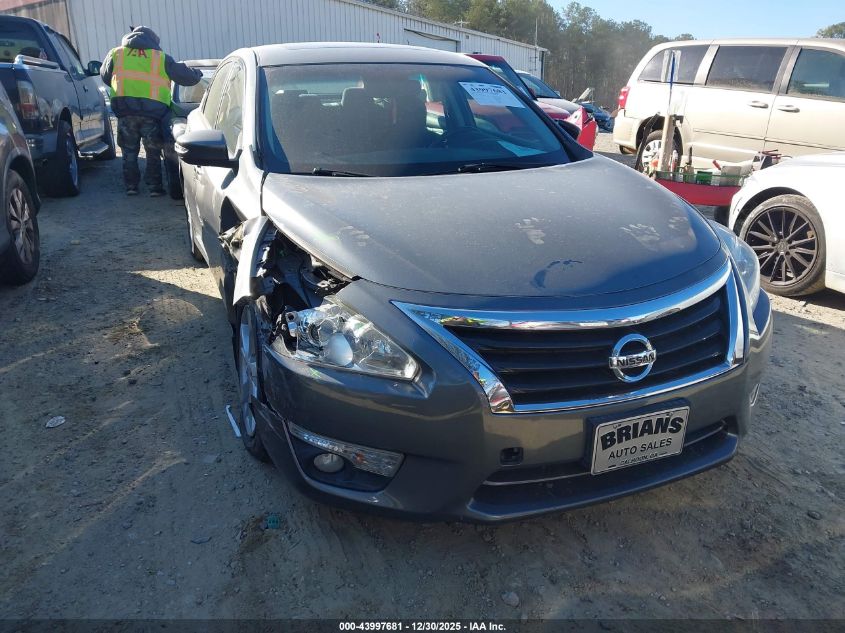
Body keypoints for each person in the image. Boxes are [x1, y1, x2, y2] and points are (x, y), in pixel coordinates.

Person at [100, 26, 202, 196]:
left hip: (126, 112)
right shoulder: (160, 57)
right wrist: (197, 73)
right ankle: (155, 188)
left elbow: (105, 76)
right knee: (153, 151)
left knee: (129, 151)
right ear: (154, 41)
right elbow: (185, 77)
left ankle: (131, 187)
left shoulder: (116, 54)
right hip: (153, 114)